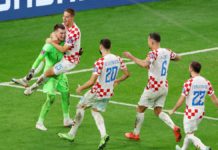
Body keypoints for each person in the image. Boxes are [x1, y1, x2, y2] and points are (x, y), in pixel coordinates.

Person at [58, 38, 130, 150]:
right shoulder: (118, 59)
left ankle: (71, 135)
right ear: (110, 47)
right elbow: (127, 74)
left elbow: (92, 82)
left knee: (80, 106)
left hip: (97, 91)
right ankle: (103, 135)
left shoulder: (100, 62)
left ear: (101, 47)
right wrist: (117, 81)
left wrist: (80, 88)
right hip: (108, 92)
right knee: (95, 111)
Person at [123, 32, 182, 142]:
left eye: (148, 40)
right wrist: (169, 58)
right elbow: (179, 57)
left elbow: (144, 64)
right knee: (158, 111)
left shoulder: (153, 53)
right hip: (164, 86)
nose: (148, 42)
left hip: (153, 87)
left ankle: (135, 134)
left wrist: (131, 57)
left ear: (152, 41)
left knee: (140, 108)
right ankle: (174, 127)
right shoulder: (167, 51)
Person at [15, 24, 73, 130]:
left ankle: (66, 119)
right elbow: (39, 58)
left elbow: (71, 51)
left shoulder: (65, 43)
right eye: (61, 33)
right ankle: (39, 122)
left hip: (60, 74)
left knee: (66, 94)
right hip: (50, 75)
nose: (63, 35)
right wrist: (32, 70)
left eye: (64, 33)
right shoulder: (48, 46)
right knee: (51, 98)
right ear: (55, 33)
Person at [24, 8, 82, 95]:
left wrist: (51, 41)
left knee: (48, 73)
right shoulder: (64, 25)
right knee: (46, 59)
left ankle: (32, 88)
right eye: (63, 16)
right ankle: (29, 77)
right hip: (63, 55)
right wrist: (52, 37)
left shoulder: (74, 32)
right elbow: (54, 33)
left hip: (69, 61)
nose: (64, 18)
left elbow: (63, 49)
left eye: (67, 17)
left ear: (72, 17)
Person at [169, 61, 218, 150]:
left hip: (190, 112)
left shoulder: (189, 83)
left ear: (191, 69)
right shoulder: (207, 82)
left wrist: (174, 109)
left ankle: (204, 147)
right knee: (191, 132)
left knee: (189, 134)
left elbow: (182, 99)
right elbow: (215, 99)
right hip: (201, 112)